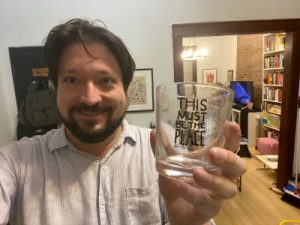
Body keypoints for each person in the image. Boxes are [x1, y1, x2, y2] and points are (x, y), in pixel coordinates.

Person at [0, 18, 246, 225]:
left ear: (126, 90)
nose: (90, 98)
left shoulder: (168, 155)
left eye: (106, 80)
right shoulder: (15, 162)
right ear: (56, 89)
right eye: (72, 80)